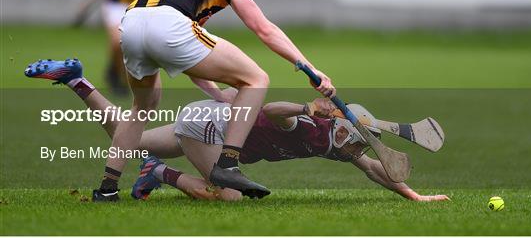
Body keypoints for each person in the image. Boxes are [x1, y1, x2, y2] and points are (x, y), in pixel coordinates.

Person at [91, 0, 335, 201]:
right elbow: (263, 29)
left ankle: (107, 188)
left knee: (142, 106)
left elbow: (190, 57)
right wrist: (309, 68)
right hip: (168, 23)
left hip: (131, 25)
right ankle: (228, 164)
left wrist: (217, 94)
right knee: (255, 79)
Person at [25, 59, 448, 203]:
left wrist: (414, 195)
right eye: (346, 137)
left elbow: (377, 167)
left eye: (351, 142)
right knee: (226, 195)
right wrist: (308, 105)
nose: (348, 146)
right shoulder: (306, 122)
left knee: (127, 134)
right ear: (335, 124)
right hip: (208, 128)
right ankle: (158, 173)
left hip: (208, 119)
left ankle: (78, 82)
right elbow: (273, 108)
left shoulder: (342, 147)